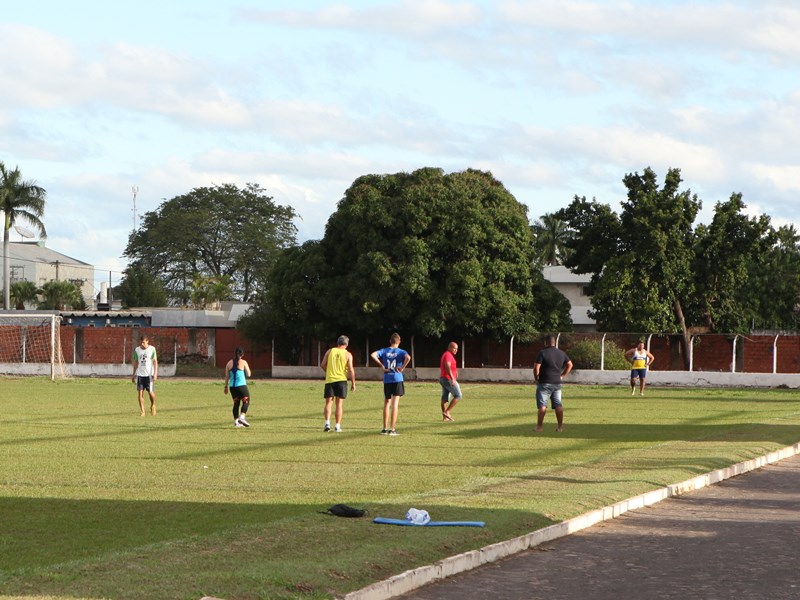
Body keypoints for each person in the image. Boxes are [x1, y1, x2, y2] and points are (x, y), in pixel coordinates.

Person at [370, 332, 412, 435]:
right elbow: (408, 358)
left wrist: (382, 365)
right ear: (399, 341)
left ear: (390, 341)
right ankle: (392, 429)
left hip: (387, 379)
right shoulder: (401, 351)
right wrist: (402, 368)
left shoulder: (384, 350)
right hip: (397, 378)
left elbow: (373, 355)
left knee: (387, 403)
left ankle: (384, 428)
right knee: (395, 404)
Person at [533, 334, 573, 432]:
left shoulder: (542, 353)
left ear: (546, 342)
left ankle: (539, 427)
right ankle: (560, 427)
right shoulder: (561, 353)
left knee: (542, 406)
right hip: (557, 383)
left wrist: (536, 378)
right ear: (554, 342)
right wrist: (562, 376)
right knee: (558, 405)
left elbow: (536, 367)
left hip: (544, 382)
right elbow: (570, 365)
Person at [320, 335, 356, 432]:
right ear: (346, 344)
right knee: (339, 405)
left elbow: (322, 365)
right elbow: (351, 370)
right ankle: (337, 426)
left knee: (328, 403)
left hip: (330, 380)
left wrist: (328, 372)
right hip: (341, 380)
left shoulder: (330, 351)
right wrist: (353, 383)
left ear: (338, 343)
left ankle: (327, 423)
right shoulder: (348, 354)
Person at [224, 347, 252, 427]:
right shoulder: (243, 362)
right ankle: (242, 417)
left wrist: (225, 387)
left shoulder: (229, 363)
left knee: (236, 403)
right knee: (246, 401)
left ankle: (236, 422)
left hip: (232, 387)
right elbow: (249, 374)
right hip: (241, 386)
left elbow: (227, 376)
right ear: (242, 354)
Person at [131, 335, 158, 416]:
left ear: (147, 341)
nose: (142, 344)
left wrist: (155, 373)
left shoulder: (152, 349)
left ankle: (153, 405)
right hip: (140, 375)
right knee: (140, 393)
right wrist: (133, 374)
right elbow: (136, 362)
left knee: (150, 392)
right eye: (141, 342)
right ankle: (142, 411)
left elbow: (155, 362)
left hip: (149, 375)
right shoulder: (137, 350)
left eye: (143, 342)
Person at [439, 341, 461, 421]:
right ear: (450, 347)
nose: (456, 350)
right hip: (447, 378)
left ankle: (445, 417)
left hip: (443, 378)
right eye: (454, 348)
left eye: (457, 349)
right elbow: (447, 365)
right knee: (458, 395)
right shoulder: (448, 355)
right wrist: (452, 377)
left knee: (444, 398)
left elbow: (450, 366)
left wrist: (455, 372)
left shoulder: (447, 355)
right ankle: (447, 412)